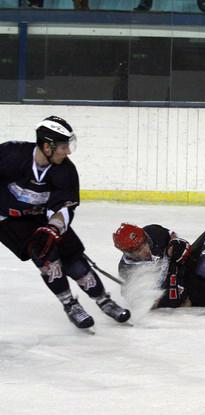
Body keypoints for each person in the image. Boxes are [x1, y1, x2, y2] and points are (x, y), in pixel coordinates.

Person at [0, 116, 130, 330]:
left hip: (43, 216)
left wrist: (54, 228)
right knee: (45, 256)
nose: (67, 151)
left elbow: (64, 206)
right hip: (9, 221)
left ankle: (103, 299)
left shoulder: (65, 170)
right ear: (46, 146)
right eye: (62, 146)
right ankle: (70, 304)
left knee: (72, 256)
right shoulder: (10, 155)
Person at [112, 192, 205, 308]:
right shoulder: (127, 270)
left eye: (144, 243)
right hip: (195, 293)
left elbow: (173, 237)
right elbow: (145, 302)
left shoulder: (152, 232)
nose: (144, 250)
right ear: (127, 252)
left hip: (188, 266)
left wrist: (177, 244)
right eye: (137, 250)